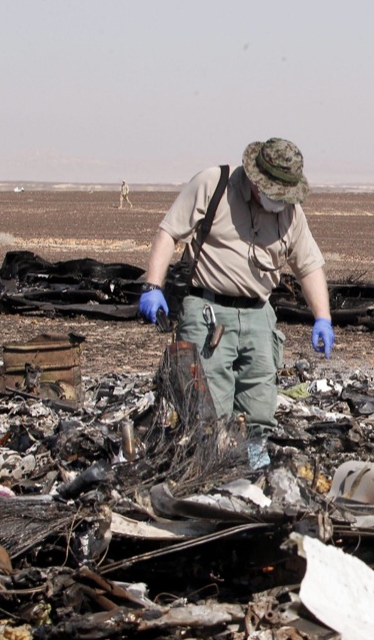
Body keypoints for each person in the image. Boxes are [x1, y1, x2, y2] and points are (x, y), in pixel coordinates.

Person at [137, 138, 335, 434]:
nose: (279, 199)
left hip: (259, 318)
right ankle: (214, 475)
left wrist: (323, 318)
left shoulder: (290, 211)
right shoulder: (214, 184)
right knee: (207, 417)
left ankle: (254, 474)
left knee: (259, 414)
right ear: (256, 179)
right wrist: (152, 286)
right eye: (275, 192)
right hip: (209, 315)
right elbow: (168, 232)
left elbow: (309, 265)